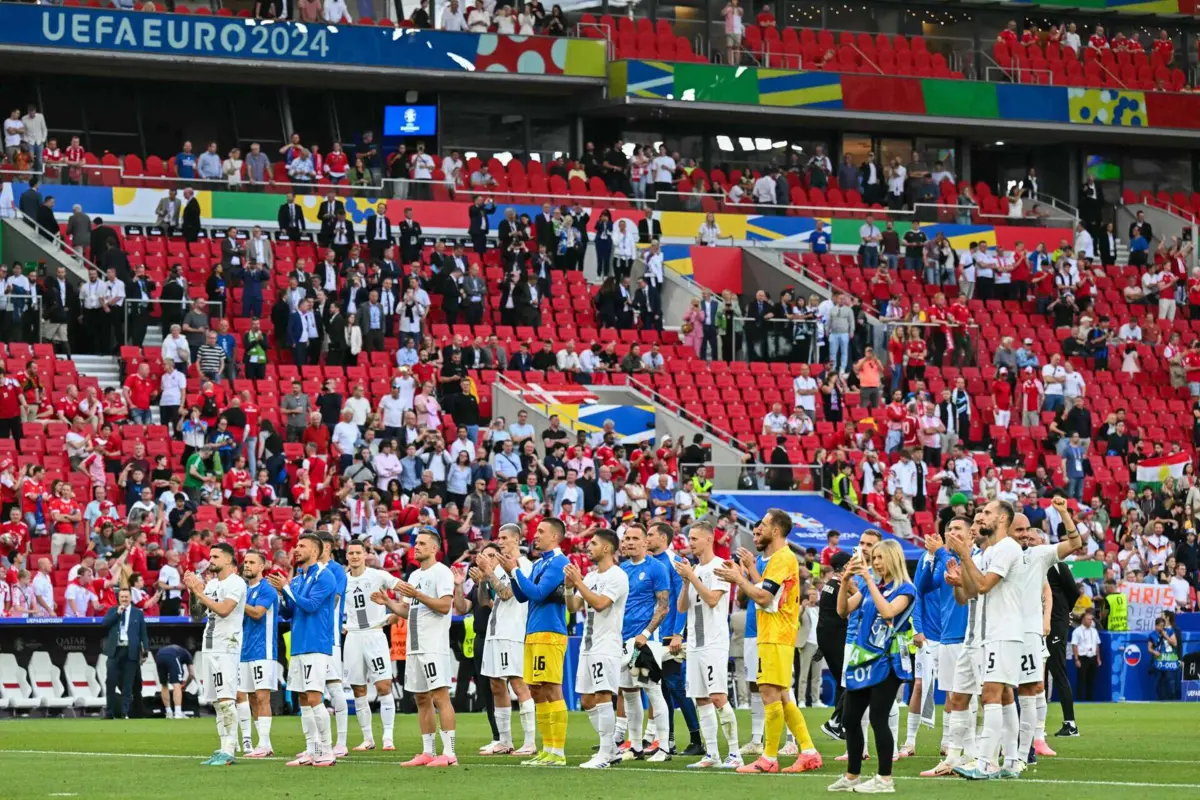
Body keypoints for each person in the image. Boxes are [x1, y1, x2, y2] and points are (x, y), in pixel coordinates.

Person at [715, 508, 822, 774]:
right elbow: (768, 591)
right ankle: (808, 751)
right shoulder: (780, 558)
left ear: (775, 530)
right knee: (783, 696)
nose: (758, 528)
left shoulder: (783, 558)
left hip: (776, 635)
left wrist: (739, 578)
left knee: (769, 694)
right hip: (774, 634)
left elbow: (763, 598)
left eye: (763, 524)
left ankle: (769, 758)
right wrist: (750, 569)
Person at [827, 540, 915, 793]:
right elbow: (842, 610)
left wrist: (867, 580)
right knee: (850, 718)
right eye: (873, 558)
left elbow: (888, 612)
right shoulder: (870, 587)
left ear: (893, 559)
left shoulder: (906, 589)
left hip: (888, 661)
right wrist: (845, 581)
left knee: (878, 717)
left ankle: (885, 779)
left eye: (880, 558)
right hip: (864, 659)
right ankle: (852, 775)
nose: (875, 563)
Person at [1009, 500, 1083, 771]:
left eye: (1029, 529)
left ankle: (1030, 745)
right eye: (1020, 530)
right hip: (1001, 632)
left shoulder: (1040, 556)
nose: (1026, 534)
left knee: (1034, 687)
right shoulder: (996, 555)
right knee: (997, 693)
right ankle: (997, 747)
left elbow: (1074, 545)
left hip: (1031, 631)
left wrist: (1063, 513)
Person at [376, 529, 459, 767]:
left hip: (433, 645)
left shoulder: (442, 573)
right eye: (416, 543)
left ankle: (450, 753)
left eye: (423, 543)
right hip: (414, 646)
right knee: (421, 698)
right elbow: (407, 610)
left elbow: (444, 606)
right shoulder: (412, 576)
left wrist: (417, 594)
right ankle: (428, 752)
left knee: (440, 697)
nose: (417, 547)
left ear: (435, 548)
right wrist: (389, 603)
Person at [501, 517, 570, 765]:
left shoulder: (559, 562)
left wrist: (516, 570)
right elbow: (522, 596)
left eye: (541, 531)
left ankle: (558, 752)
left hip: (550, 633)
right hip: (533, 632)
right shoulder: (542, 563)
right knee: (537, 689)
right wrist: (512, 574)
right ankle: (546, 749)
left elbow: (539, 594)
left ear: (555, 536)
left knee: (551, 687)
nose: (536, 535)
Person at [674, 521, 742, 768]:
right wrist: (685, 581)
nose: (689, 542)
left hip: (714, 642)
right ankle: (712, 754)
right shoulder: (694, 570)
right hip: (694, 643)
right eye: (689, 538)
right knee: (701, 698)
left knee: (717, 697)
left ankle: (735, 753)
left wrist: (692, 576)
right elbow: (682, 607)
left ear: (708, 539)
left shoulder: (720, 567)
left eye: (694, 538)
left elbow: (713, 599)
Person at [268, 533, 338, 767]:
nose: (296, 549)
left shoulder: (325, 576)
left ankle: (327, 750)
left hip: (315, 644)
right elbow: (289, 613)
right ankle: (312, 749)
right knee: (303, 698)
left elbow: (310, 606)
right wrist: (281, 595)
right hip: (298, 645)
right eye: (296, 545)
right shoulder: (298, 579)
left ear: (315, 552)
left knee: (315, 697)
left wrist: (286, 589)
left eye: (302, 546)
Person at [564, 528, 628, 769]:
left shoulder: (617, 576)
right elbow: (572, 607)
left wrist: (578, 581)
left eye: (593, 544)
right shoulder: (590, 577)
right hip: (588, 646)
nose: (588, 547)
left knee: (602, 696)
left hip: (606, 645)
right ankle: (610, 749)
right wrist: (570, 586)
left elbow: (601, 604)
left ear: (607, 548)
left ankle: (605, 754)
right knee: (587, 700)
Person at [182, 541, 247, 766]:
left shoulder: (235, 583)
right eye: (210, 557)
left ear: (228, 560)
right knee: (218, 703)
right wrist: (193, 591)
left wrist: (200, 591)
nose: (211, 561)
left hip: (226, 647)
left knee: (227, 700)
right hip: (209, 647)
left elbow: (224, 609)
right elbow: (197, 615)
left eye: (216, 557)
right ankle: (223, 746)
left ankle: (230, 749)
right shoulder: (210, 586)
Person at [610, 524, 672, 761]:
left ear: (646, 542)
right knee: (629, 693)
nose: (631, 542)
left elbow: (663, 606)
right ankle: (635, 746)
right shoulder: (622, 569)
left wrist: (646, 632)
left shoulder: (656, 568)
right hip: (623, 640)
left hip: (646, 641)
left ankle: (664, 747)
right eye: (627, 538)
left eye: (636, 538)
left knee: (653, 691)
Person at [476, 524, 538, 756]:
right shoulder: (500, 566)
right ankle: (504, 741)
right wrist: (483, 578)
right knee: (496, 685)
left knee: (518, 684)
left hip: (512, 632)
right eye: (498, 537)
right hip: (495, 632)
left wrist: (489, 572)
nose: (500, 541)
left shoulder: (522, 565)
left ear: (516, 539)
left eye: (504, 538)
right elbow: (485, 601)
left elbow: (506, 593)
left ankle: (530, 742)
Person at [343, 540, 401, 751]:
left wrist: (396, 609)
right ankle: (368, 738)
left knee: (383, 685)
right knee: (358, 688)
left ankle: (388, 737)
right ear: (347, 556)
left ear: (366, 554)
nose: (355, 556)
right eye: (351, 553)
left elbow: (401, 587)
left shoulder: (378, 576)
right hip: (353, 636)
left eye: (359, 552)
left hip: (375, 634)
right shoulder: (342, 580)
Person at [236, 549, 279, 758]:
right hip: (245, 650)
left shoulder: (267, 589)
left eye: (252, 562)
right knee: (251, 697)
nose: (247, 565)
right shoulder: (243, 589)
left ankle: (263, 744)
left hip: (263, 649)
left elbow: (257, 613)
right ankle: (265, 744)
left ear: (262, 566)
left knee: (263, 697)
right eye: (245, 562)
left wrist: (236, 602)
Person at [101, 587, 149, 720]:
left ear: (130, 598)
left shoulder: (137, 613)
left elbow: (143, 633)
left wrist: (145, 651)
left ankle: (124, 713)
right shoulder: (112, 610)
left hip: (131, 651)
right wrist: (117, 613)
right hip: (115, 651)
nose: (124, 599)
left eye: (126, 597)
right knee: (110, 682)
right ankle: (109, 713)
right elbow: (104, 624)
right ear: (118, 598)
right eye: (122, 597)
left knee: (128, 684)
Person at [154, 643, 195, 720]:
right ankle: (178, 713)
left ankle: (169, 712)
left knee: (164, 684)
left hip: (159, 655)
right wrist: (185, 686)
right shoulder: (187, 654)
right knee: (177, 684)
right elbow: (192, 674)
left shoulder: (180, 651)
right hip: (172, 656)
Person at [1070, 610, 1101, 702]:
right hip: (1082, 657)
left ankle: (1090, 700)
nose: (1090, 621)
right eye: (1088, 620)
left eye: (1091, 620)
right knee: (1081, 680)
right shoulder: (1077, 631)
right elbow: (1074, 645)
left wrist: (1098, 658)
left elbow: (1097, 644)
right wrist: (1076, 659)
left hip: (1092, 657)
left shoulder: (1094, 631)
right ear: (1083, 620)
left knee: (1091, 680)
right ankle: (1079, 700)